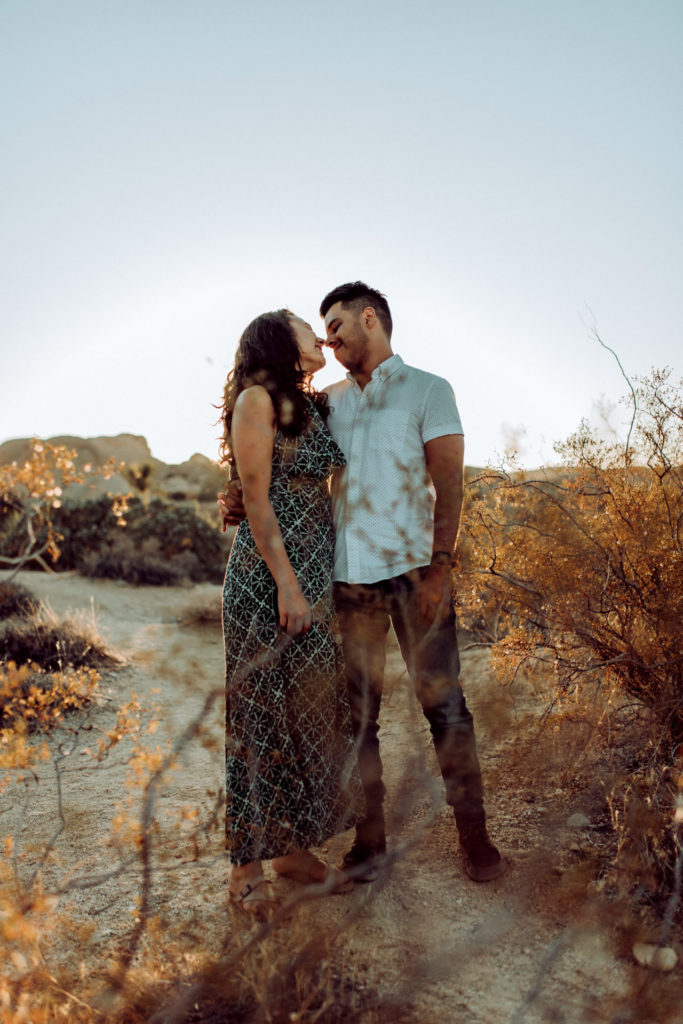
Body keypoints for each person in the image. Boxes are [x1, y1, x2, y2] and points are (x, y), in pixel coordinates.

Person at [220, 284, 505, 884]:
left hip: (414, 576)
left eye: (336, 325)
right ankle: (369, 844)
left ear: (369, 317)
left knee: (446, 708)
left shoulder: (430, 389)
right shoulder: (326, 403)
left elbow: (450, 486)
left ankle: (475, 838)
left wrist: (442, 567)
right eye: (320, 329)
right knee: (358, 721)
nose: (329, 337)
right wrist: (237, 496)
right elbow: (268, 460)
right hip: (347, 585)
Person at [219, 309, 361, 919]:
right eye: (309, 326)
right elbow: (254, 496)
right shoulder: (255, 400)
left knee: (302, 714)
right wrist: (288, 585)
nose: (319, 336)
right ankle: (246, 867)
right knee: (257, 716)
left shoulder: (312, 406)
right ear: (282, 342)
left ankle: (293, 854)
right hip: (266, 580)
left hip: (313, 575)